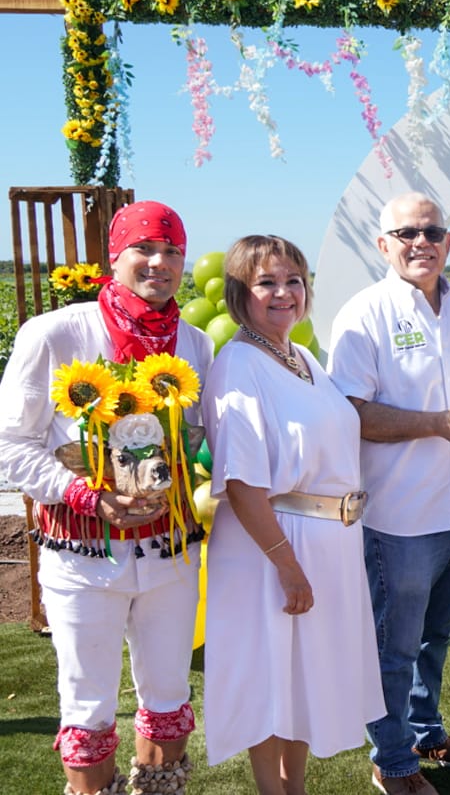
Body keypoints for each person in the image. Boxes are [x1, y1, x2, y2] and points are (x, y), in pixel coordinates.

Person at [0, 201, 213, 795]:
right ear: (114, 258)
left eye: (172, 251)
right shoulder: (56, 333)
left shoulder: (194, 344)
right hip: (83, 555)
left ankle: (161, 788)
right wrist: (86, 495)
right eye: (145, 249)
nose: (160, 263)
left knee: (170, 695)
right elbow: (8, 445)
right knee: (88, 703)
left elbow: (203, 441)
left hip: (169, 554)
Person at [203, 234, 384, 794]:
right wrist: (285, 562)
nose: (284, 293)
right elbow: (240, 479)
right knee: (269, 676)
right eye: (266, 282)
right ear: (239, 293)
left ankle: (295, 788)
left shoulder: (302, 356)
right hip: (274, 545)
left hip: (328, 539)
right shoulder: (238, 365)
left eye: (293, 281)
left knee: (305, 678)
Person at [326, 192, 450, 795]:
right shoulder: (364, 314)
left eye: (432, 231)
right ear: (384, 245)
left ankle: (426, 732)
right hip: (399, 516)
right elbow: (350, 411)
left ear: (448, 242)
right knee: (392, 648)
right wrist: (435, 424)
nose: (421, 242)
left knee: (436, 636)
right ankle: (392, 761)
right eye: (407, 233)